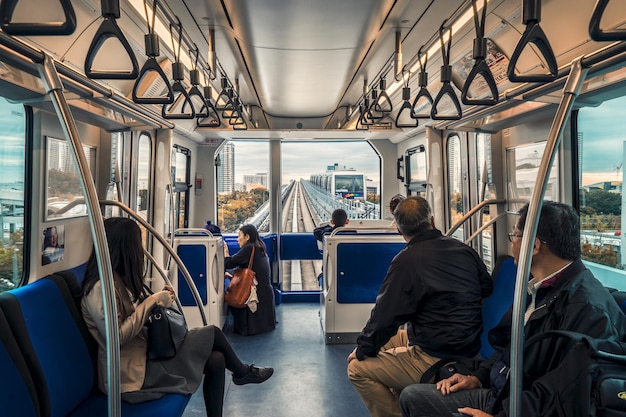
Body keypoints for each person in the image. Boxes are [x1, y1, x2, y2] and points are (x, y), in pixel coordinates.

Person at [399, 201, 626, 417]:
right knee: (412, 397)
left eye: (515, 236)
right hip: (505, 392)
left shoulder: (586, 308)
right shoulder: (538, 287)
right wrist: (479, 376)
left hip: (517, 406)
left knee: (413, 397)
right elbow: (510, 349)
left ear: (534, 245)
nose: (512, 243)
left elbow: (562, 393)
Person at [81, 217, 273, 417]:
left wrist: (156, 299)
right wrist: (152, 301)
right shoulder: (99, 290)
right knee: (213, 333)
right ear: (124, 248)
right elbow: (117, 338)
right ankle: (242, 373)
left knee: (216, 359)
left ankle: (239, 377)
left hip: (144, 358)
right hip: (129, 376)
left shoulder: (118, 280)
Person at [347, 196, 493, 417]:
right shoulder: (464, 250)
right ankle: (404, 394)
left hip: (436, 353)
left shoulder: (406, 261)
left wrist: (363, 349)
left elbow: (385, 318)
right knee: (377, 346)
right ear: (432, 221)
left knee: (356, 368)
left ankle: (400, 412)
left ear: (399, 230)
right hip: (465, 344)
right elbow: (486, 288)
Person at [224, 224, 277, 336]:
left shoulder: (249, 248)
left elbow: (229, 263)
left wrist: (225, 252)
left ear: (247, 237)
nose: (237, 239)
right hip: (264, 291)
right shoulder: (260, 246)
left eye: (239, 236)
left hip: (253, 292)